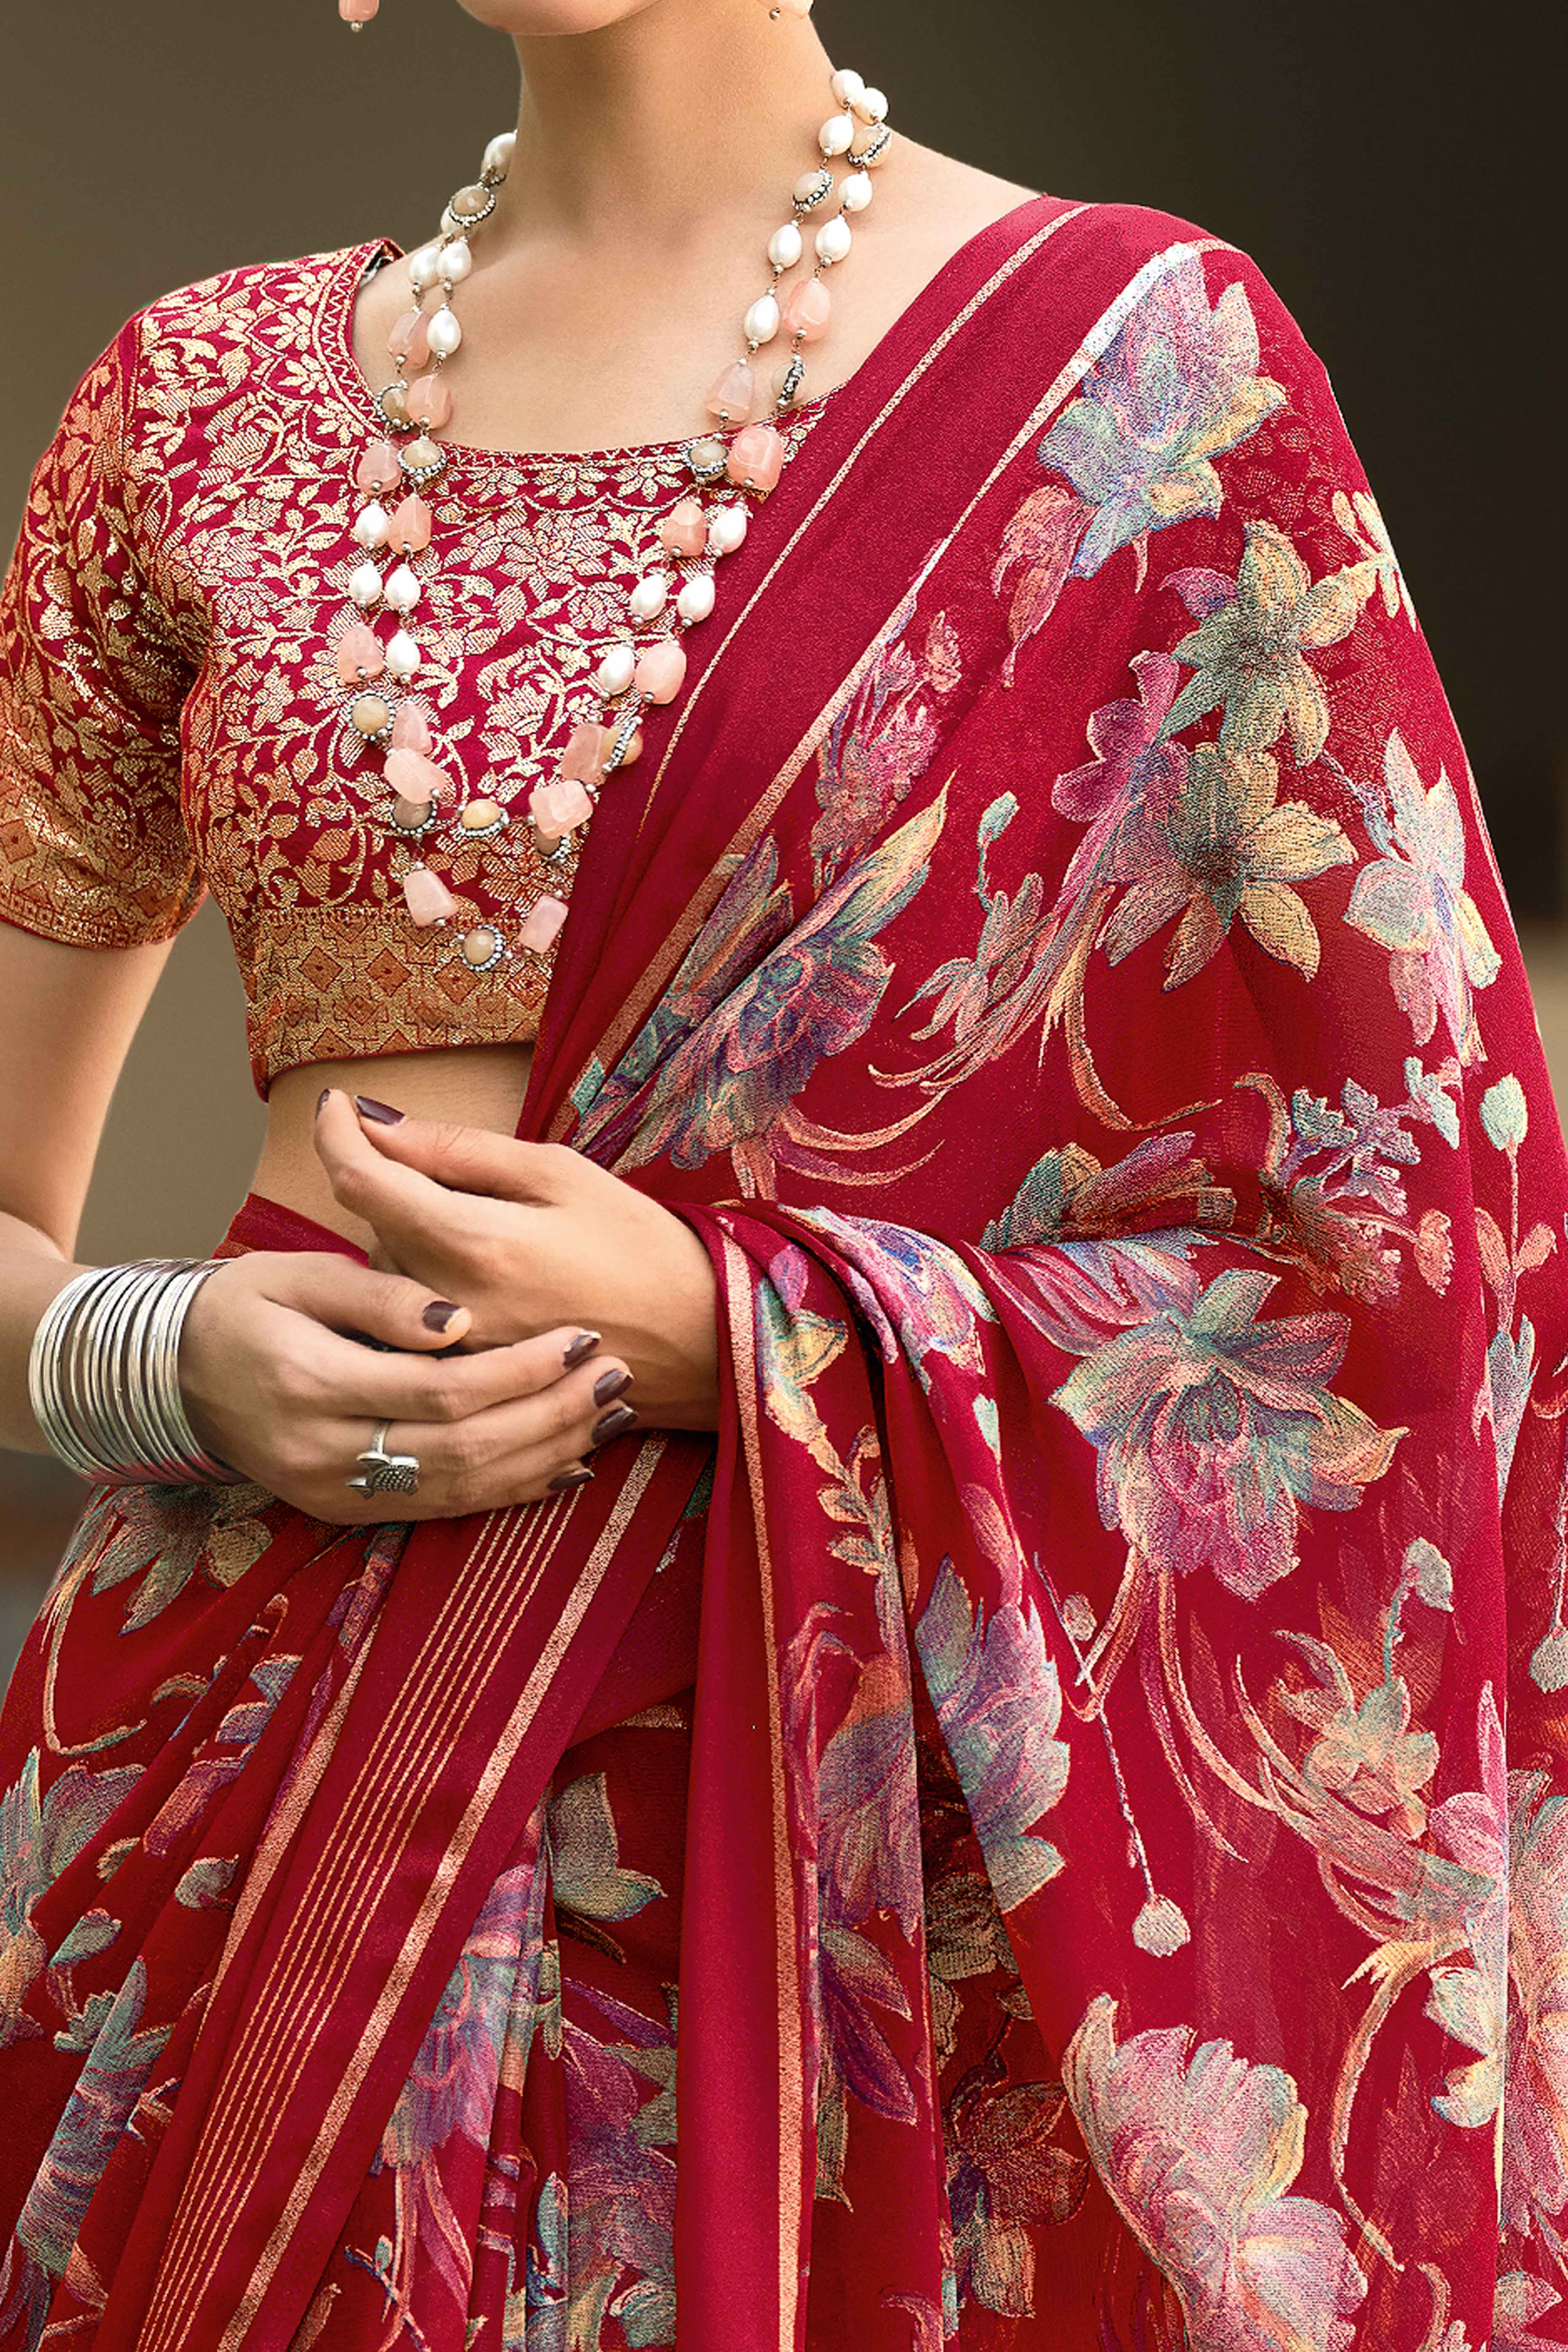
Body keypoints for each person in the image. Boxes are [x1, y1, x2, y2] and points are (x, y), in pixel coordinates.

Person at [0, 0, 1561, 2344]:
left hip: (827, 1849)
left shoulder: (1142, 378)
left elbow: (1408, 1265)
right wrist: (145, 1353)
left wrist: (739, 1330)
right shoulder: (195, 406)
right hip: (232, 1792)